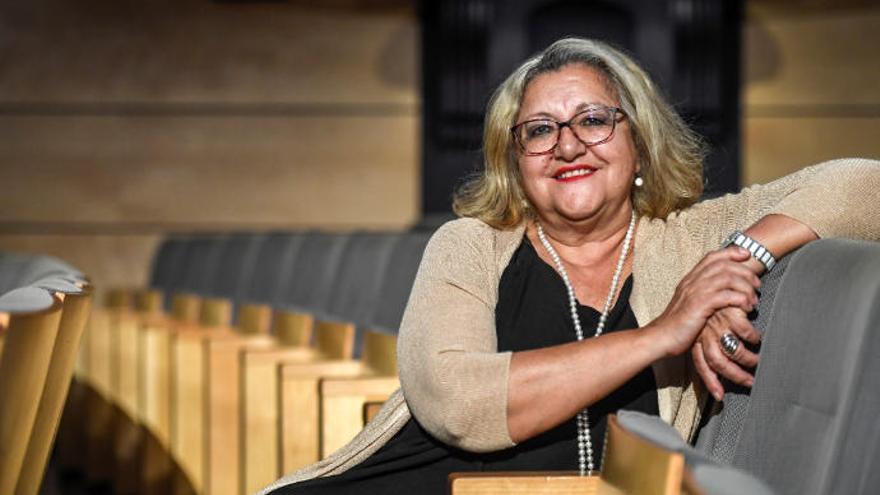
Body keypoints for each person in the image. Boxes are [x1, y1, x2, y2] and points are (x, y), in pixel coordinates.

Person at [261, 38, 879, 494]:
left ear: (637, 139)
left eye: (592, 120)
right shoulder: (470, 245)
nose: (567, 144)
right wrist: (662, 334)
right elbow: (457, 404)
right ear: (517, 162)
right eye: (539, 130)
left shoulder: (690, 239)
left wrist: (738, 257)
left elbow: (866, 185)